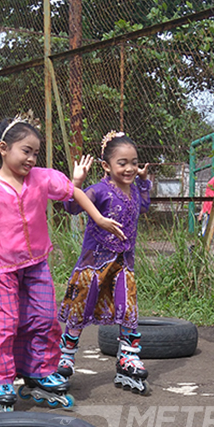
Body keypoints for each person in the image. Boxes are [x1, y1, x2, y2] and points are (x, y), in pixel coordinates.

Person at [0, 116, 123, 412]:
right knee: (3, 324)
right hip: (2, 268)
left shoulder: (42, 177)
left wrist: (98, 218)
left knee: (43, 317)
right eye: (25, 150)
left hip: (36, 263)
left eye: (36, 153)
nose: (31, 158)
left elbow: (72, 190)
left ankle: (38, 370)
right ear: (4, 148)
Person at [57, 131, 152, 395]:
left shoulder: (134, 190)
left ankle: (128, 357)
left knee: (128, 307)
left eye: (134, 162)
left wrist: (144, 182)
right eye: (122, 163)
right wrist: (75, 182)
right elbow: (71, 208)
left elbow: (145, 206)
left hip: (123, 263)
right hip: (94, 264)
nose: (130, 168)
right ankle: (65, 357)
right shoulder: (99, 190)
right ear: (106, 166)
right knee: (80, 307)